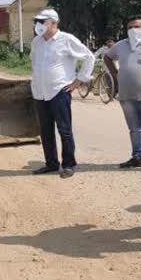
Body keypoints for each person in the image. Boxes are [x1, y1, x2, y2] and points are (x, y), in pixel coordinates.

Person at [30, 9, 95, 178]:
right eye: (37, 21)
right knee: (45, 131)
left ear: (53, 23)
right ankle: (51, 163)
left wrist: (80, 79)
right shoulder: (36, 42)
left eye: (42, 22)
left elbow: (89, 57)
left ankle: (68, 164)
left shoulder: (66, 39)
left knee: (64, 130)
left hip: (59, 91)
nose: (38, 25)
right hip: (40, 93)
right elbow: (35, 65)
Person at [104, 15, 141, 174]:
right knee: (134, 129)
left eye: (137, 26)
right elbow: (108, 57)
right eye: (130, 27)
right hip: (126, 95)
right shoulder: (121, 45)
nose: (133, 30)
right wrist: (115, 74)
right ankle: (138, 157)